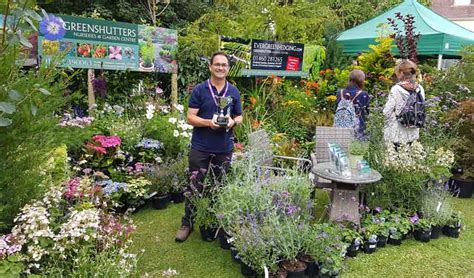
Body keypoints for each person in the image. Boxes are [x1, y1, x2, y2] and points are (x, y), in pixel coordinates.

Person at [175, 52, 243, 242]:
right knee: (194, 186)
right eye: (217, 64)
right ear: (210, 67)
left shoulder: (233, 91)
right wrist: (208, 123)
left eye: (224, 65)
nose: (221, 68)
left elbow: (239, 116)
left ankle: (212, 222)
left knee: (219, 188)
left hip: (224, 148)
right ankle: (187, 223)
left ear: (228, 69)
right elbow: (190, 117)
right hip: (201, 147)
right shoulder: (200, 90)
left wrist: (232, 122)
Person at [383, 59, 425, 145]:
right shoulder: (420, 88)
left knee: (395, 156)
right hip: (413, 131)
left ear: (401, 73)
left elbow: (387, 111)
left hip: (397, 133)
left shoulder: (396, 89)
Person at [334, 69, 370, 139]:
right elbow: (367, 114)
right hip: (358, 130)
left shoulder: (339, 92)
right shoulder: (363, 94)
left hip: (340, 128)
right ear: (361, 81)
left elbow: (336, 109)